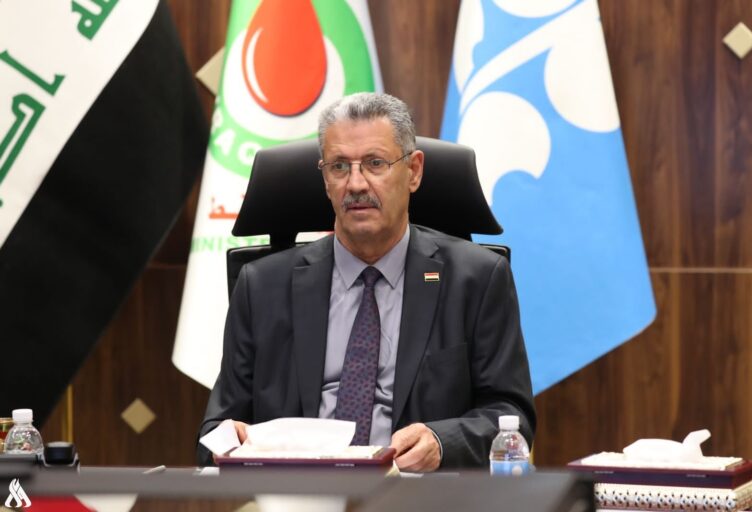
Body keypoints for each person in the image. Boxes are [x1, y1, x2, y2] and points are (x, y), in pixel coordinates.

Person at [197, 92, 535, 471]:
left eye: (375, 163)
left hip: (418, 490)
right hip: (299, 489)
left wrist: (443, 442)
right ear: (325, 179)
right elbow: (215, 428)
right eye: (339, 166)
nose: (356, 183)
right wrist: (229, 439)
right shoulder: (261, 285)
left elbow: (511, 415)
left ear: (413, 171)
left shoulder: (477, 278)